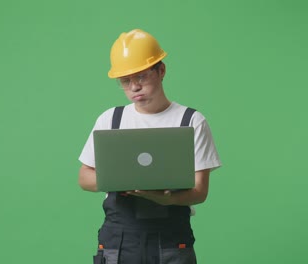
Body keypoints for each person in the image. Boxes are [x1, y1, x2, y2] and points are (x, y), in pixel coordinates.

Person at [78, 29, 222, 264]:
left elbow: (200, 191)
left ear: (161, 70)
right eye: (125, 81)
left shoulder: (191, 121)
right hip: (119, 243)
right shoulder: (110, 120)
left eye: (141, 76)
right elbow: (84, 177)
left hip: (172, 244)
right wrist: (121, 180)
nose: (134, 87)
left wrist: (167, 199)